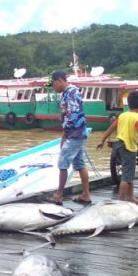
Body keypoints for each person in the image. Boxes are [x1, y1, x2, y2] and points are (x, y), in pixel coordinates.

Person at [96, 90, 138, 204]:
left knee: (129, 172)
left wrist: (102, 141)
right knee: (126, 175)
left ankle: (131, 197)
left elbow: (111, 129)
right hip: (128, 147)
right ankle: (120, 202)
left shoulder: (122, 115)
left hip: (118, 145)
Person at [49, 69, 91, 205]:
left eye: (53, 84)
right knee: (79, 163)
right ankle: (85, 194)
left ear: (59, 80)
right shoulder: (69, 92)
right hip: (77, 133)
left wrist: (65, 135)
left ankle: (59, 194)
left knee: (63, 163)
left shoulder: (71, 93)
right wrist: (64, 134)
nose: (53, 88)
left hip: (74, 134)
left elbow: (72, 116)